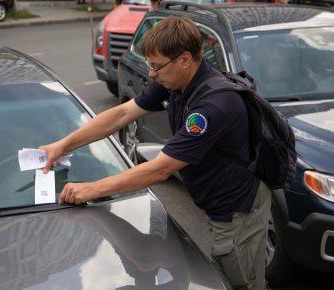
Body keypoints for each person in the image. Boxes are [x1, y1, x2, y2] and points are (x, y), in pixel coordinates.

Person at [39, 16, 271, 290]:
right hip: (217, 204)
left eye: (155, 66)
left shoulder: (214, 107)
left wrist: (90, 190)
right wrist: (63, 145)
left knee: (239, 282)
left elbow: (160, 169)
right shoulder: (176, 78)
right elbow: (123, 113)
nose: (151, 74)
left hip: (237, 212)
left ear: (184, 59)